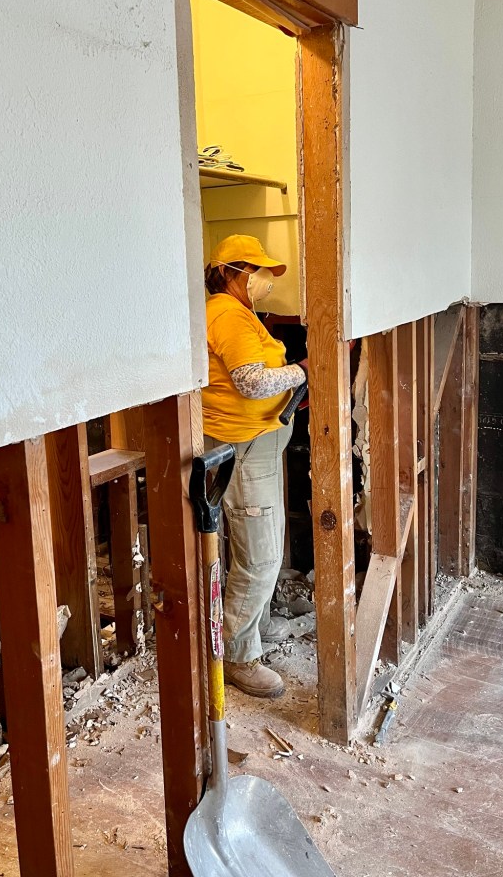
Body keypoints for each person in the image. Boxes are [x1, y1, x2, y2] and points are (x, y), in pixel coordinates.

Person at [202, 234, 307, 699]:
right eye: (258, 269)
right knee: (260, 555)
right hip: (243, 448)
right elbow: (251, 381)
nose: (266, 279)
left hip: (257, 444)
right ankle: (238, 655)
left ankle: (256, 627)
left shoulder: (240, 314)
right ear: (231, 273)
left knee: (264, 544)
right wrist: (305, 370)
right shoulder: (226, 314)